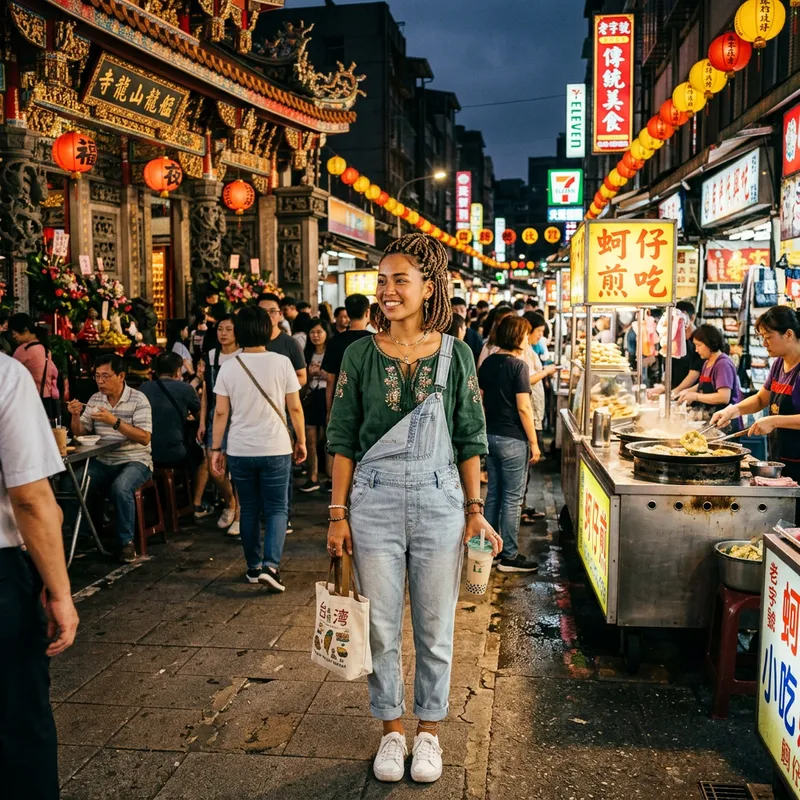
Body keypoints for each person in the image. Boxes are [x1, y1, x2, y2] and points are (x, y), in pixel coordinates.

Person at [326, 233, 501, 785]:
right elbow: (343, 437)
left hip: (440, 502)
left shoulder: (458, 354)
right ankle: (392, 732)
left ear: (429, 287)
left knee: (434, 627)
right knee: (379, 627)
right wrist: (337, 515)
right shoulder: (358, 353)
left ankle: (429, 733)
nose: (388, 290)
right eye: (382, 280)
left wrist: (475, 509)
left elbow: (471, 436)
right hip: (371, 504)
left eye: (400, 279)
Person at [0, 355, 80, 799]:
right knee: (18, 722)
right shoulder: (6, 376)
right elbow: (30, 498)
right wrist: (60, 591)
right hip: (3, 577)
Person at [210, 307, 306, 590]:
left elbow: (220, 413)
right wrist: (300, 440)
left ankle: (253, 567)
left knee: (249, 509)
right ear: (267, 330)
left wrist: (216, 449)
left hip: (240, 449)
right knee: (277, 508)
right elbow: (295, 407)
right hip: (276, 446)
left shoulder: (228, 366)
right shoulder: (281, 362)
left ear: (238, 332)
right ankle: (271, 567)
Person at [67, 354, 153, 563]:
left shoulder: (138, 399)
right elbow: (80, 434)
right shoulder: (96, 399)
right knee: (73, 483)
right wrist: (76, 416)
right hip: (103, 460)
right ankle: (85, 537)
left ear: (121, 376)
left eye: (106, 376)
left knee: (121, 487)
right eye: (97, 376)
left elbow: (144, 437)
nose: (100, 381)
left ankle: (126, 543)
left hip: (135, 459)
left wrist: (114, 422)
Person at [479, 315, 541, 573]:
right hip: (513, 439)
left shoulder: (487, 363)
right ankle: (509, 556)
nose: (527, 340)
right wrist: (534, 443)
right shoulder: (519, 366)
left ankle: (489, 551)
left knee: (493, 494)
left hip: (490, 436)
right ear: (518, 337)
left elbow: (480, 401)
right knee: (513, 499)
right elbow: (524, 408)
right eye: (526, 335)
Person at [713, 306, 800, 483]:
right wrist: (733, 410)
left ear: (789, 334)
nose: (764, 344)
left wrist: (774, 421)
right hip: (780, 456)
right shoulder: (778, 365)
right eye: (762, 338)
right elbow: (761, 399)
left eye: (768, 338)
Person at [198, 313, 241, 531]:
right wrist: (202, 421)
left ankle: (240, 515)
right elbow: (206, 391)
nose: (223, 334)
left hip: (239, 413)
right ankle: (230, 502)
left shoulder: (243, 354)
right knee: (213, 464)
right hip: (216, 413)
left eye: (228, 329)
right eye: (220, 329)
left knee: (237, 466)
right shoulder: (211, 355)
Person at [140, 352, 202, 467]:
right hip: (174, 453)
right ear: (178, 371)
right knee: (203, 457)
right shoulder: (186, 388)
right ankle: (195, 486)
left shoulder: (144, 387)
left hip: (145, 452)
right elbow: (200, 418)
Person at [677, 324, 742, 422]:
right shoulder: (707, 362)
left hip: (726, 423)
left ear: (710, 343)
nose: (696, 349)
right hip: (712, 419)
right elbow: (704, 384)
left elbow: (724, 397)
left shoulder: (723, 364)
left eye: (699, 345)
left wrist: (695, 396)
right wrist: (688, 391)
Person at [322, 293, 372, 415]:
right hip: (369, 404)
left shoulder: (335, 341)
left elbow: (330, 379)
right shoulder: (375, 341)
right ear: (367, 313)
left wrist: (329, 411)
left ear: (348, 314)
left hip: (342, 405)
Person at [301, 317, 333, 493]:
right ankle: (312, 477)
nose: (315, 335)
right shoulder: (306, 354)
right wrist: (309, 375)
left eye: (319, 331)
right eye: (312, 332)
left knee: (329, 439)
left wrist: (322, 373)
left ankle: (330, 477)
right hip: (312, 397)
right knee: (311, 439)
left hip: (328, 397)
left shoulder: (331, 352)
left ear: (326, 333)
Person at [9, 313, 60, 419]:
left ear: (25, 330)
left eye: (14, 333)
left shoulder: (24, 350)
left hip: (30, 400)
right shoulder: (45, 348)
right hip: (47, 400)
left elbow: (9, 374)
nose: (14, 337)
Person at [258, 293, 307, 387]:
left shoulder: (291, 343)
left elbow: (302, 377)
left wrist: (278, 388)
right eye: (263, 312)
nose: (268, 316)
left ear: (280, 314)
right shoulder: (250, 342)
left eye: (272, 311)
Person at [451, 297, 483, 363]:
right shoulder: (442, 333)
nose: (459, 313)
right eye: (455, 310)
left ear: (466, 311)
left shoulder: (474, 336)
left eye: (462, 310)